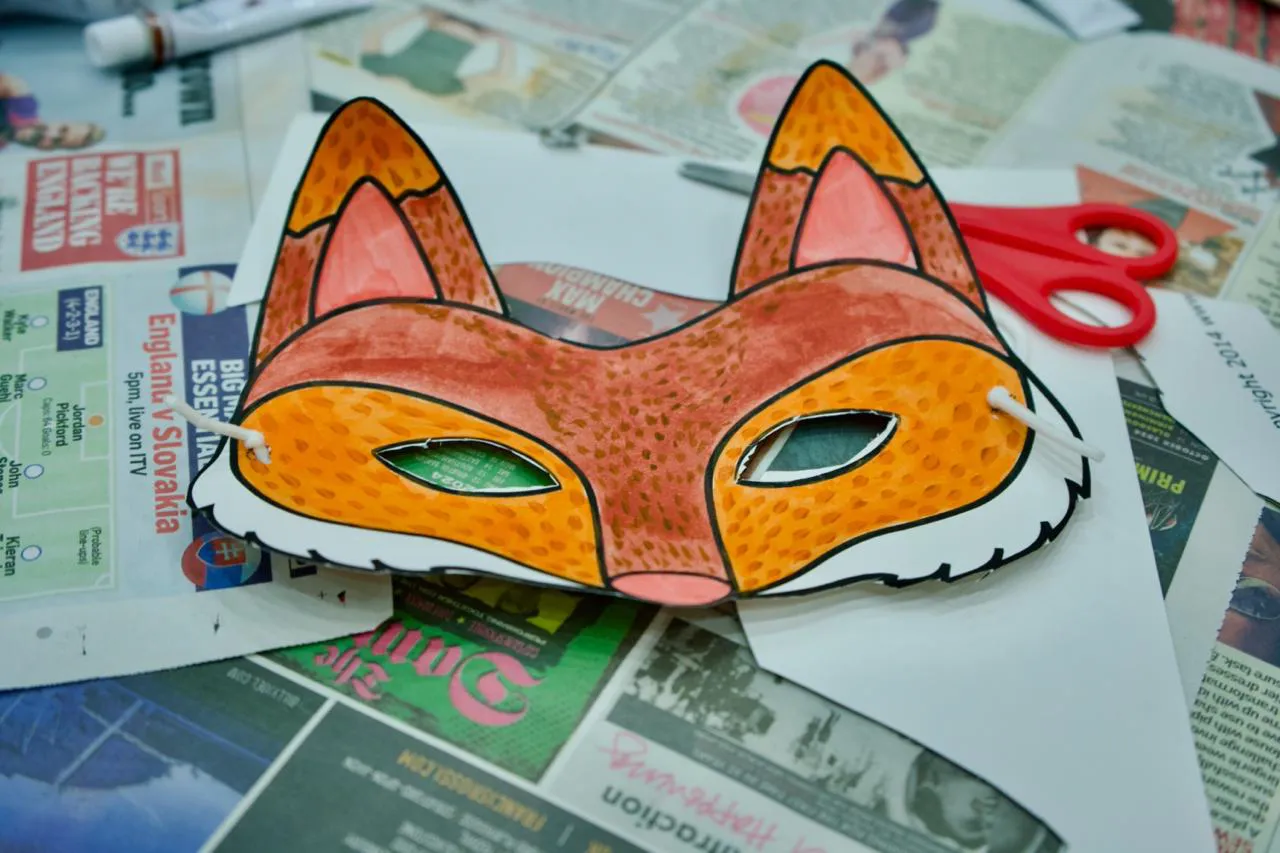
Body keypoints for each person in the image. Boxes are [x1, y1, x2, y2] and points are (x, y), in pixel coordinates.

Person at [358, 11, 517, 100]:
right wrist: (504, 41)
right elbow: (500, 75)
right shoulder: (438, 91)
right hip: (478, 29)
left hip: (446, 16)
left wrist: (417, 14)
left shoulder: (375, 69)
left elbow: (373, 32)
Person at [0, 72, 104, 152]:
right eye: (63, 129)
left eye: (57, 141)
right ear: (59, 121)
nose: (51, 134)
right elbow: (13, 85)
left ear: (47, 149)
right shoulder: (23, 108)